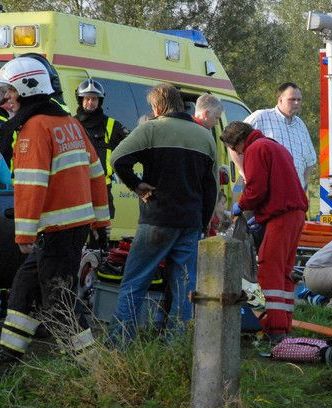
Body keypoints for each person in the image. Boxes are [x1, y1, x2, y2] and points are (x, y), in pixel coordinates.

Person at [0, 57, 110, 362]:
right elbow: (96, 174)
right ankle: (9, 354)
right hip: (70, 230)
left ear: (24, 88)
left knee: (59, 300)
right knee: (23, 287)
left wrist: (23, 235)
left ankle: (90, 365)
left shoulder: (34, 128)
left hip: (54, 232)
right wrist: (101, 224)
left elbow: (31, 185)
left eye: (7, 94)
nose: (5, 102)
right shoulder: (69, 123)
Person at [109, 83, 217, 343]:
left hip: (156, 219)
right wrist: (202, 224)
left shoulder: (151, 129)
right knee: (184, 288)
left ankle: (120, 344)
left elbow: (117, 159)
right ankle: (176, 346)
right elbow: (211, 188)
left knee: (134, 283)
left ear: (157, 107)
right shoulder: (204, 136)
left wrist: (136, 185)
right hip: (190, 223)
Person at [221, 121, 307, 340]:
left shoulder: (255, 149)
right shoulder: (274, 146)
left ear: (237, 142)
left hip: (281, 216)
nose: (236, 153)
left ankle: (273, 328)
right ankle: (284, 322)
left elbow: (256, 188)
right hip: (294, 214)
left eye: (233, 148)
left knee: (269, 267)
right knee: (285, 270)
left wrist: (242, 205)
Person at [244, 82, 316, 190]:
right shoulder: (261, 117)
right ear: (280, 99)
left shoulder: (301, 125)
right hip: (268, 193)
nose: (296, 103)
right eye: (292, 99)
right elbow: (233, 140)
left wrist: (302, 186)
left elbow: (310, 161)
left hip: (294, 195)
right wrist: (243, 172)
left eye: (299, 99)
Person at [74, 78, 129, 220]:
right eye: (87, 99)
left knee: (102, 233)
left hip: (102, 188)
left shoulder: (111, 125)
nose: (90, 103)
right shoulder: (70, 123)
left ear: (100, 101)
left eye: (94, 99)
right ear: (80, 100)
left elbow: (131, 146)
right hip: (76, 186)